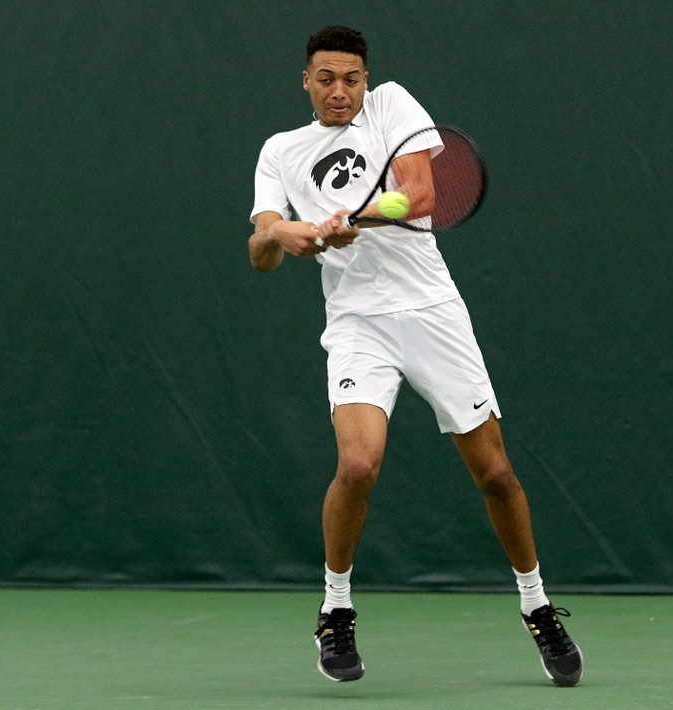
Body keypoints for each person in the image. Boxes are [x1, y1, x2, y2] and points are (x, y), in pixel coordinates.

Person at [247, 25, 583, 687]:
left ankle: (536, 603)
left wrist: (352, 218)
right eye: (326, 78)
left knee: (494, 472)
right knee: (356, 463)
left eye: (351, 78)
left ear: (365, 80)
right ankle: (336, 609)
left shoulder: (393, 105)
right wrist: (286, 232)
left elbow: (422, 194)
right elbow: (259, 248)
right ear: (306, 82)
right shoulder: (281, 151)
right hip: (356, 324)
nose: (340, 90)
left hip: (431, 313)